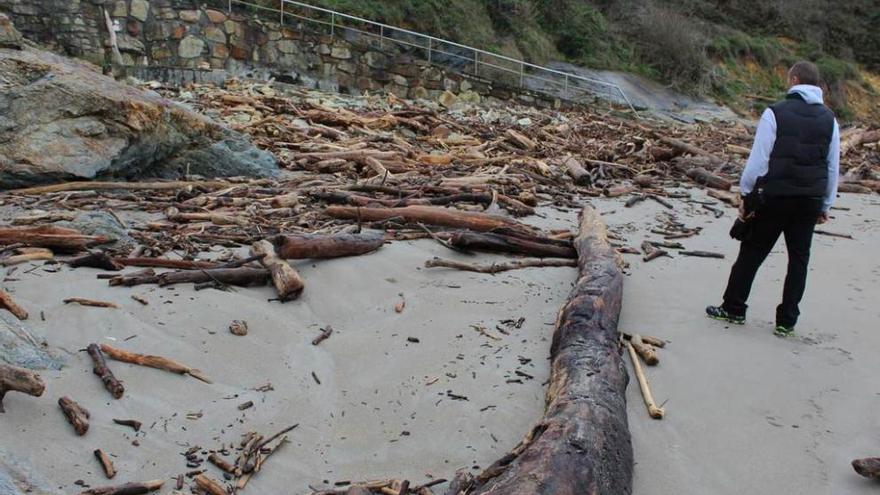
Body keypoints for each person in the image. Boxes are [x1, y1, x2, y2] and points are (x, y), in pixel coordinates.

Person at [706, 61, 840, 337]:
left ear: (793, 79)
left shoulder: (775, 113)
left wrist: (746, 193)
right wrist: (825, 203)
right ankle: (786, 321)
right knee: (799, 259)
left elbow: (759, 160)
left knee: (753, 251)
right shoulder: (830, 119)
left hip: (776, 196)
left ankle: (734, 308)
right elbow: (832, 166)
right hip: (808, 199)